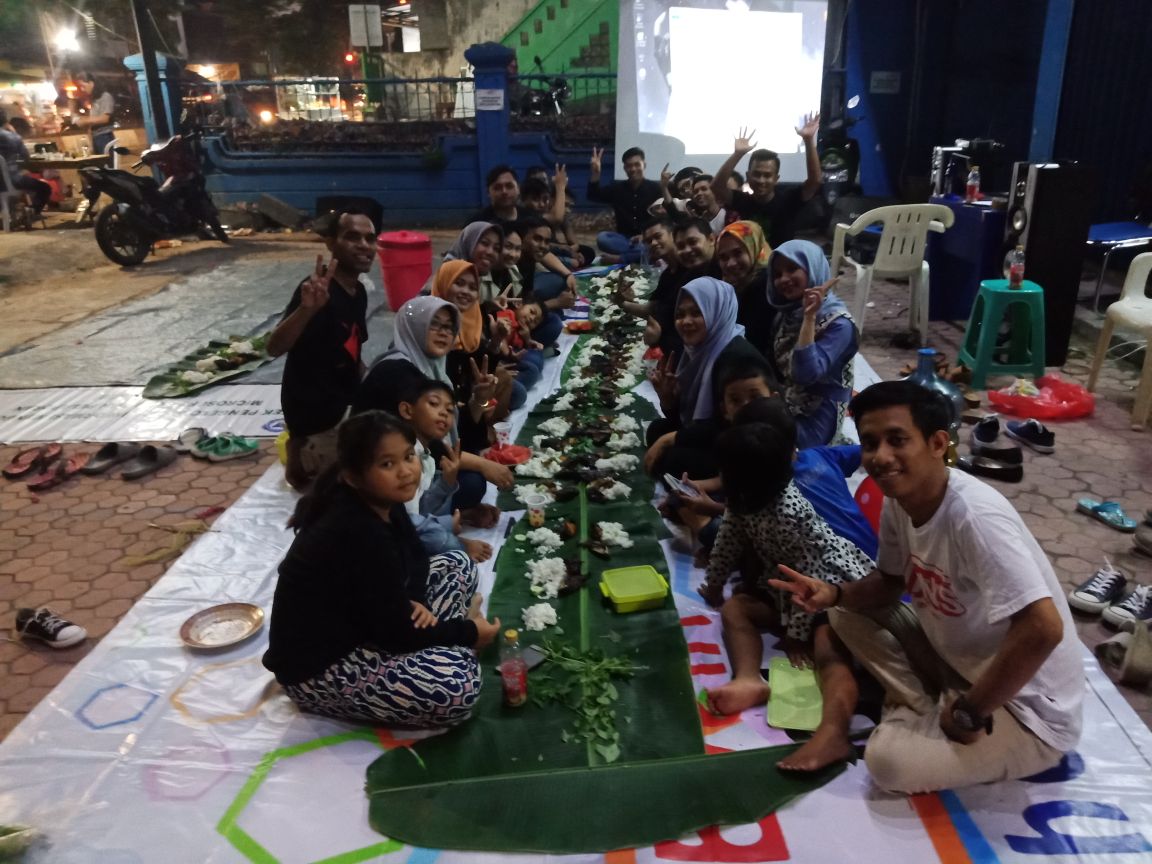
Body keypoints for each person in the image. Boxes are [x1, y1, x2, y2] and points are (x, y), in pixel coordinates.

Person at [771, 380, 1084, 793]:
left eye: (897, 440)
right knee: (843, 614)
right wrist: (835, 594)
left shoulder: (975, 517)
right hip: (956, 661)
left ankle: (923, 709)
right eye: (870, 443)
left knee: (889, 764)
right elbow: (888, 583)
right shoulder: (899, 501)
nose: (881, 457)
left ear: (937, 444)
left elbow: (1043, 628)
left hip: (1025, 710)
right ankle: (927, 704)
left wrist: (971, 712)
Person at [263, 411, 502, 728]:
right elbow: (396, 633)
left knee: (458, 564)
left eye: (408, 456)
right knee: (459, 687)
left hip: (369, 623)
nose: (406, 471)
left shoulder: (381, 498)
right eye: (387, 464)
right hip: (321, 665)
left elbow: (416, 556)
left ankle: (443, 647)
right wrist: (469, 633)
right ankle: (452, 649)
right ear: (353, 476)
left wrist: (413, 601)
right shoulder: (357, 529)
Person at [697, 402, 875, 772]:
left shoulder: (790, 511)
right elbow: (727, 542)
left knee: (827, 644)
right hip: (786, 587)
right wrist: (714, 585)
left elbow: (811, 573)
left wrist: (796, 635)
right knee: (735, 608)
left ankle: (834, 730)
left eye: (726, 473)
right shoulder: (743, 502)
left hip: (829, 587)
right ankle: (749, 679)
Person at [354, 296, 512, 524]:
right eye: (434, 324)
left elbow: (454, 435)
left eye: (449, 327)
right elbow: (433, 445)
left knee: (470, 476)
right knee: (472, 481)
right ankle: (443, 521)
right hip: (381, 477)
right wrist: (484, 464)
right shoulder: (396, 372)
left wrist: (479, 400)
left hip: (417, 463)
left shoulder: (433, 366)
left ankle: (447, 517)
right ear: (414, 327)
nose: (443, 333)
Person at [268, 208, 375, 490]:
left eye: (370, 238)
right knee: (370, 487)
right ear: (330, 243)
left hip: (346, 411)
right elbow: (274, 347)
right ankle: (302, 455)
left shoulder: (359, 292)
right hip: (317, 421)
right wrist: (306, 310)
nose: (364, 245)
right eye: (352, 237)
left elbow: (353, 352)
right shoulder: (316, 291)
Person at [646, 276, 767, 456]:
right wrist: (668, 400)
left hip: (745, 448)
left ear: (717, 312)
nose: (686, 321)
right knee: (657, 430)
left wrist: (671, 439)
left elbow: (731, 427)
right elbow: (689, 419)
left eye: (696, 313)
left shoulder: (737, 359)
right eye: (680, 315)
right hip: (717, 437)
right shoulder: (698, 350)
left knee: (671, 457)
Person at [767, 239, 857, 449]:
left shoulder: (839, 323)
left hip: (819, 413)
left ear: (813, 267)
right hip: (788, 399)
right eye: (777, 274)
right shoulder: (787, 314)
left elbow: (806, 373)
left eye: (792, 269)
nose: (784, 279)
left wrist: (809, 318)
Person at [395, 378, 492, 563]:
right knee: (455, 557)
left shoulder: (426, 455)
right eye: (434, 403)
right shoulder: (403, 455)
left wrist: (447, 482)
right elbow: (406, 525)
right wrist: (454, 538)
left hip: (410, 526)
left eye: (449, 410)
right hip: (391, 540)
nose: (444, 414)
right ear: (407, 410)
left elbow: (421, 508)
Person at [711, 114, 822, 248]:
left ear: (776, 179)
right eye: (756, 174)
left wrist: (808, 140)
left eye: (767, 175)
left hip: (780, 260)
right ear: (748, 176)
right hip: (750, 260)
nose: (761, 180)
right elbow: (716, 187)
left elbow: (815, 181)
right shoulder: (742, 201)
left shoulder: (789, 199)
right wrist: (737, 154)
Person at [587, 145, 662, 263]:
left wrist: (645, 236)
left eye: (637, 164)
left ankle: (623, 258)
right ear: (624, 168)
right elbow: (593, 195)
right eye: (629, 166)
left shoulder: (656, 189)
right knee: (603, 238)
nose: (633, 169)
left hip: (646, 238)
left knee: (652, 245)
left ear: (644, 165)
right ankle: (639, 256)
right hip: (624, 239)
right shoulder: (617, 188)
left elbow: (663, 219)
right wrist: (595, 173)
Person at [716, 221, 773, 355]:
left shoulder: (765, 285)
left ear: (754, 248)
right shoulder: (731, 288)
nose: (730, 263)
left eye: (738, 253)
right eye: (723, 257)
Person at [0, 108, 52, 219]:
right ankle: (32, 213)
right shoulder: (13, 137)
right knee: (45, 188)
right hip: (12, 180)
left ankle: (15, 214)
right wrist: (14, 132)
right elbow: (26, 157)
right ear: (6, 121)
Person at [76, 73, 115, 156]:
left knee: (107, 163)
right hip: (95, 137)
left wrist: (85, 120)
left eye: (83, 86)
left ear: (91, 83)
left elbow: (105, 118)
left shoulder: (105, 96)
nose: (82, 89)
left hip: (105, 137)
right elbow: (92, 123)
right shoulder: (94, 100)